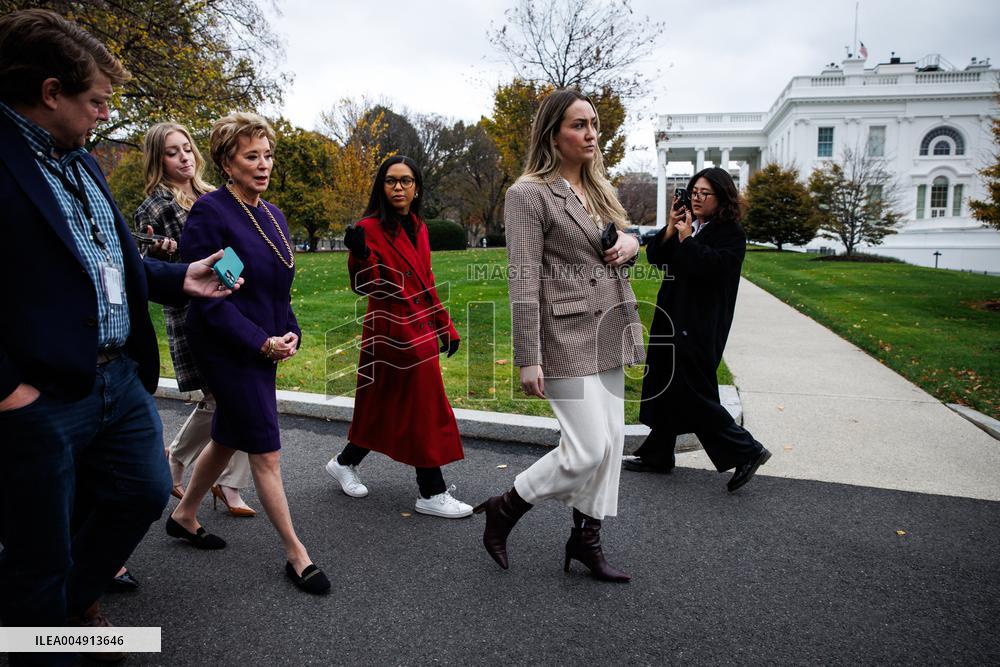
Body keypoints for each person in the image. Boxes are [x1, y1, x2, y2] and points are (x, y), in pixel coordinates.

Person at [0, 7, 240, 656]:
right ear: (51, 94)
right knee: (36, 547)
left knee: (143, 489)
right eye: (96, 102)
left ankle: (69, 600)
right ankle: (43, 634)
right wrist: (7, 388)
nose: (105, 114)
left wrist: (179, 275)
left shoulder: (77, 156)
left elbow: (109, 258)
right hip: (40, 394)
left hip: (117, 376)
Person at [474, 89, 643, 582]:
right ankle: (505, 509)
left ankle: (586, 539)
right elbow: (522, 276)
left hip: (610, 324)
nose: (591, 133)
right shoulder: (527, 193)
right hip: (564, 334)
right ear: (553, 134)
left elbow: (621, 237)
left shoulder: (598, 187)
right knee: (586, 448)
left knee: (612, 443)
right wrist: (529, 355)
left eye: (593, 123)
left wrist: (631, 243)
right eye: (578, 125)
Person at [167, 112, 330, 594]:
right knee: (265, 449)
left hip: (263, 345)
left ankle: (184, 513)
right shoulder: (211, 213)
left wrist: (290, 331)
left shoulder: (273, 215)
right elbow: (211, 298)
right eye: (251, 156)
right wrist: (260, 340)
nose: (263, 165)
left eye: (267, 155)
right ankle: (296, 554)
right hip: (225, 346)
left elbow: (277, 290)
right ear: (226, 161)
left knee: (229, 434)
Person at [327, 156, 472, 518]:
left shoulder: (419, 228)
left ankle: (344, 463)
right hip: (391, 331)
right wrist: (359, 254)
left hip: (419, 326)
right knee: (424, 408)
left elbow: (427, 281)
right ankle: (431, 492)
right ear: (381, 186)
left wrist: (446, 327)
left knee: (384, 406)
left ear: (416, 187)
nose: (398, 187)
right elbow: (365, 285)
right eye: (391, 181)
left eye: (406, 181)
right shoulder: (368, 228)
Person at [623, 167, 771, 492]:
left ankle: (747, 450)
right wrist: (670, 228)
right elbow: (658, 259)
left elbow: (713, 269)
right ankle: (658, 454)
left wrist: (688, 239)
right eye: (693, 192)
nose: (697, 197)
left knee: (692, 393)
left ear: (722, 197)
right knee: (667, 383)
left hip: (699, 327)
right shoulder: (689, 227)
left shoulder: (730, 233)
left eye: (705, 193)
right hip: (672, 318)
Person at [135, 122, 255, 517]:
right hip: (193, 312)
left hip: (232, 304)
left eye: (187, 148)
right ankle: (181, 459)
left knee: (238, 395)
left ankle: (228, 482)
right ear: (159, 159)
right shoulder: (154, 207)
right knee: (222, 397)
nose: (184, 156)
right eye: (172, 151)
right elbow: (147, 270)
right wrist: (163, 253)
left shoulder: (213, 194)